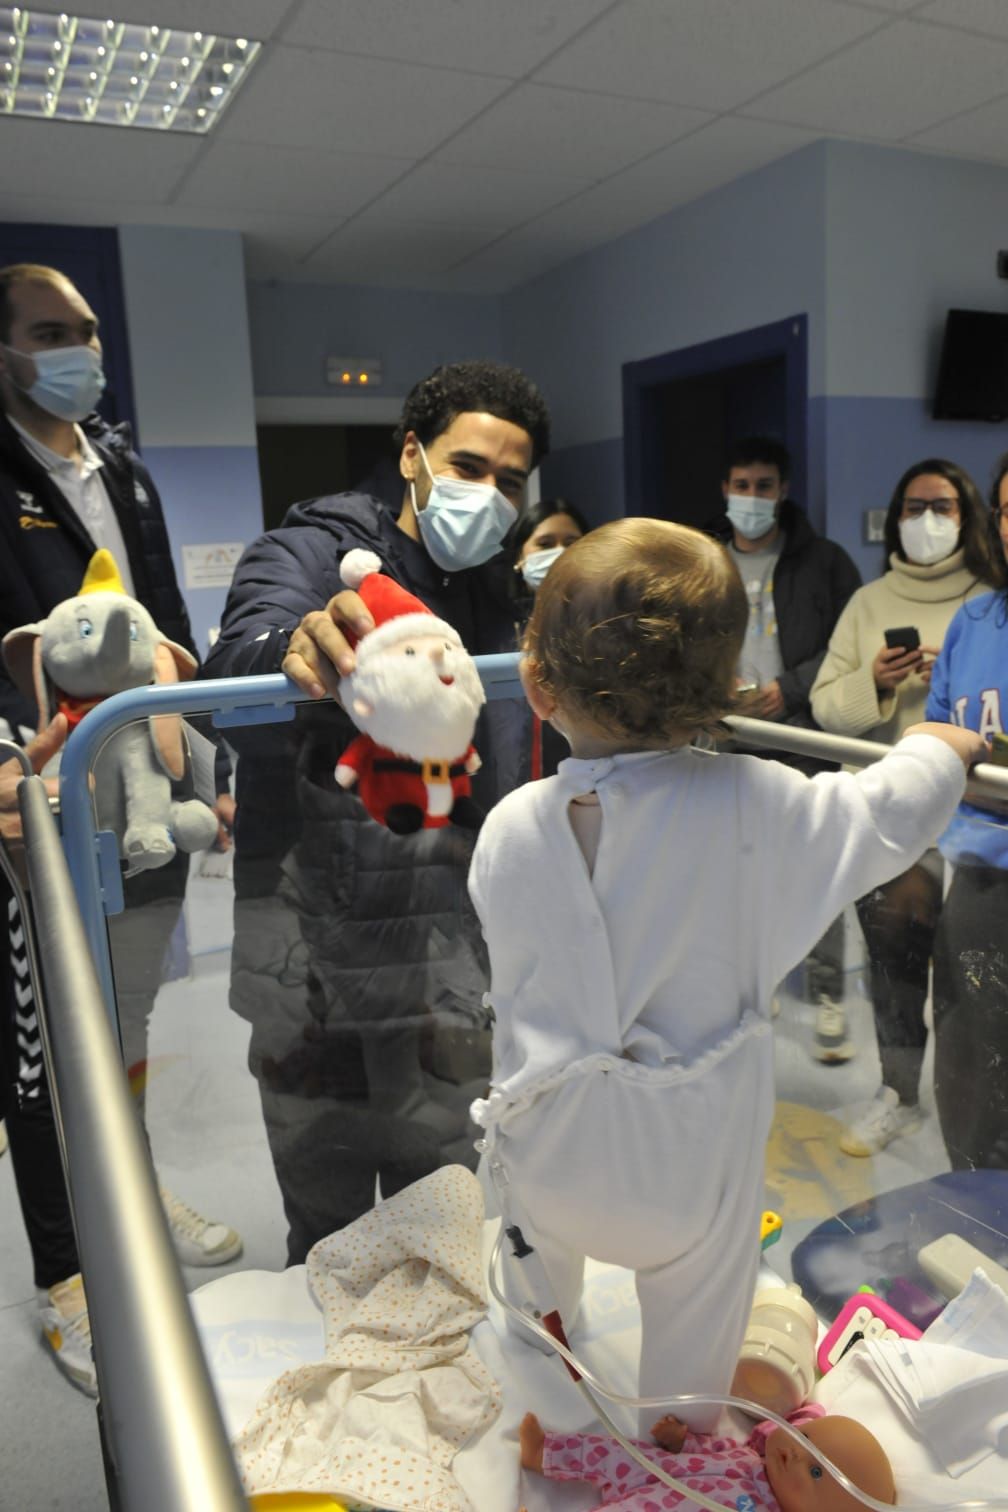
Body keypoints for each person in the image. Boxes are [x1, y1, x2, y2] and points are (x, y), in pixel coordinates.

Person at [468, 517, 984, 1434]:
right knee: (701, 1308)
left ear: (537, 685)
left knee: (532, 1292)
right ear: (730, 689)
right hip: (687, 1174)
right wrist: (940, 750)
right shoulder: (759, 805)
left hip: (543, 1148)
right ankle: (678, 1431)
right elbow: (885, 816)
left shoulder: (510, 828)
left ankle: (543, 1379)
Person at [203, 359, 551, 1264]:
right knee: (332, 1236)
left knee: (444, 1227)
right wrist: (296, 648)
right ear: (411, 456)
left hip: (446, 971)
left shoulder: (503, 601)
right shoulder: (312, 551)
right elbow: (233, 673)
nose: (487, 493)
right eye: (466, 466)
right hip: (310, 962)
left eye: (509, 481)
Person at [0, 262, 240, 1395]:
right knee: (45, 1047)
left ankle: (133, 1185)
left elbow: (173, 629)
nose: (79, 351)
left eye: (88, 331)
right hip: (36, 804)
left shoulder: (125, 472)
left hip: (150, 792)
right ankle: (67, 1277)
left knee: (133, 1007)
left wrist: (214, 754)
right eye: (51, 332)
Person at [811, 459, 998, 1157]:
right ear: (894, 516)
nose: (927, 520)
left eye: (943, 506)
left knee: (973, 983)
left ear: (970, 514)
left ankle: (978, 1115)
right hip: (892, 819)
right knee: (894, 966)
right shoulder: (867, 602)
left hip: (976, 824)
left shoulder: (987, 603)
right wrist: (878, 685)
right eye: (914, 506)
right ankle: (898, 1092)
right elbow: (829, 709)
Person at [718, 435, 862, 1060]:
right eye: (741, 485)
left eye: (764, 486)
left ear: (784, 491)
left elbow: (846, 646)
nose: (752, 497)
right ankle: (760, 980)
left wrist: (789, 688)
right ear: (724, 490)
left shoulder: (824, 562)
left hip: (803, 732)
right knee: (741, 866)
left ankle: (828, 991)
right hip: (725, 738)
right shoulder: (702, 559)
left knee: (815, 862)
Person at [926, 451, 1008, 1172]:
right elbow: (933, 729)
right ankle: (977, 1207)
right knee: (968, 1056)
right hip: (979, 874)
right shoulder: (975, 620)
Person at [518, 1407, 896, 1512]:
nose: (795, 1452)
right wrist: (683, 1441)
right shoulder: (749, 1455)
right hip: (652, 1469)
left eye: (814, 1471)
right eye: (806, 1437)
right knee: (611, 1450)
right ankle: (546, 1453)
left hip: (651, 1506)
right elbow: (710, 1451)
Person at [508, 497, 589, 780]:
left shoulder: (601, 626)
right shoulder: (495, 622)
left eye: (571, 543)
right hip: (509, 775)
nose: (561, 553)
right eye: (545, 544)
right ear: (519, 556)